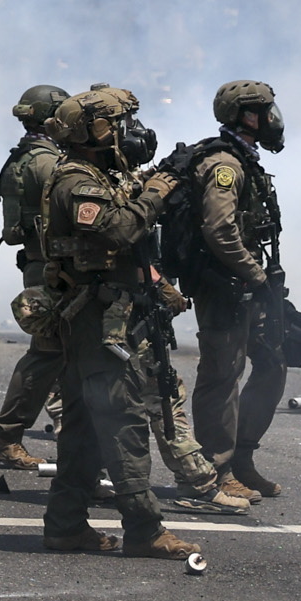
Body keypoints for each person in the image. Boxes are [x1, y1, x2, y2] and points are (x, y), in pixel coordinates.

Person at [36, 87, 196, 558]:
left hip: (108, 315)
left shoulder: (103, 175)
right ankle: (146, 529)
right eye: (122, 124)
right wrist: (158, 190)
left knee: (84, 424)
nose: (131, 133)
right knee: (123, 421)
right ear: (95, 132)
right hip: (96, 322)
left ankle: (65, 525)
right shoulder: (76, 182)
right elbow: (120, 228)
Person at [185, 80, 293, 500]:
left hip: (247, 282)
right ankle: (214, 469)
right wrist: (256, 275)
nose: (272, 119)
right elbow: (218, 229)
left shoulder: (245, 159)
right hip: (224, 284)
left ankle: (242, 457)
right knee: (222, 375)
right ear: (248, 116)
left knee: (272, 363)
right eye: (264, 111)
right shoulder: (224, 165)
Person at [0, 85, 67, 469]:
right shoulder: (48, 164)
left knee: (56, 354)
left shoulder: (24, 157)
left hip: (37, 264)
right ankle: (5, 435)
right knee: (47, 355)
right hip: (51, 269)